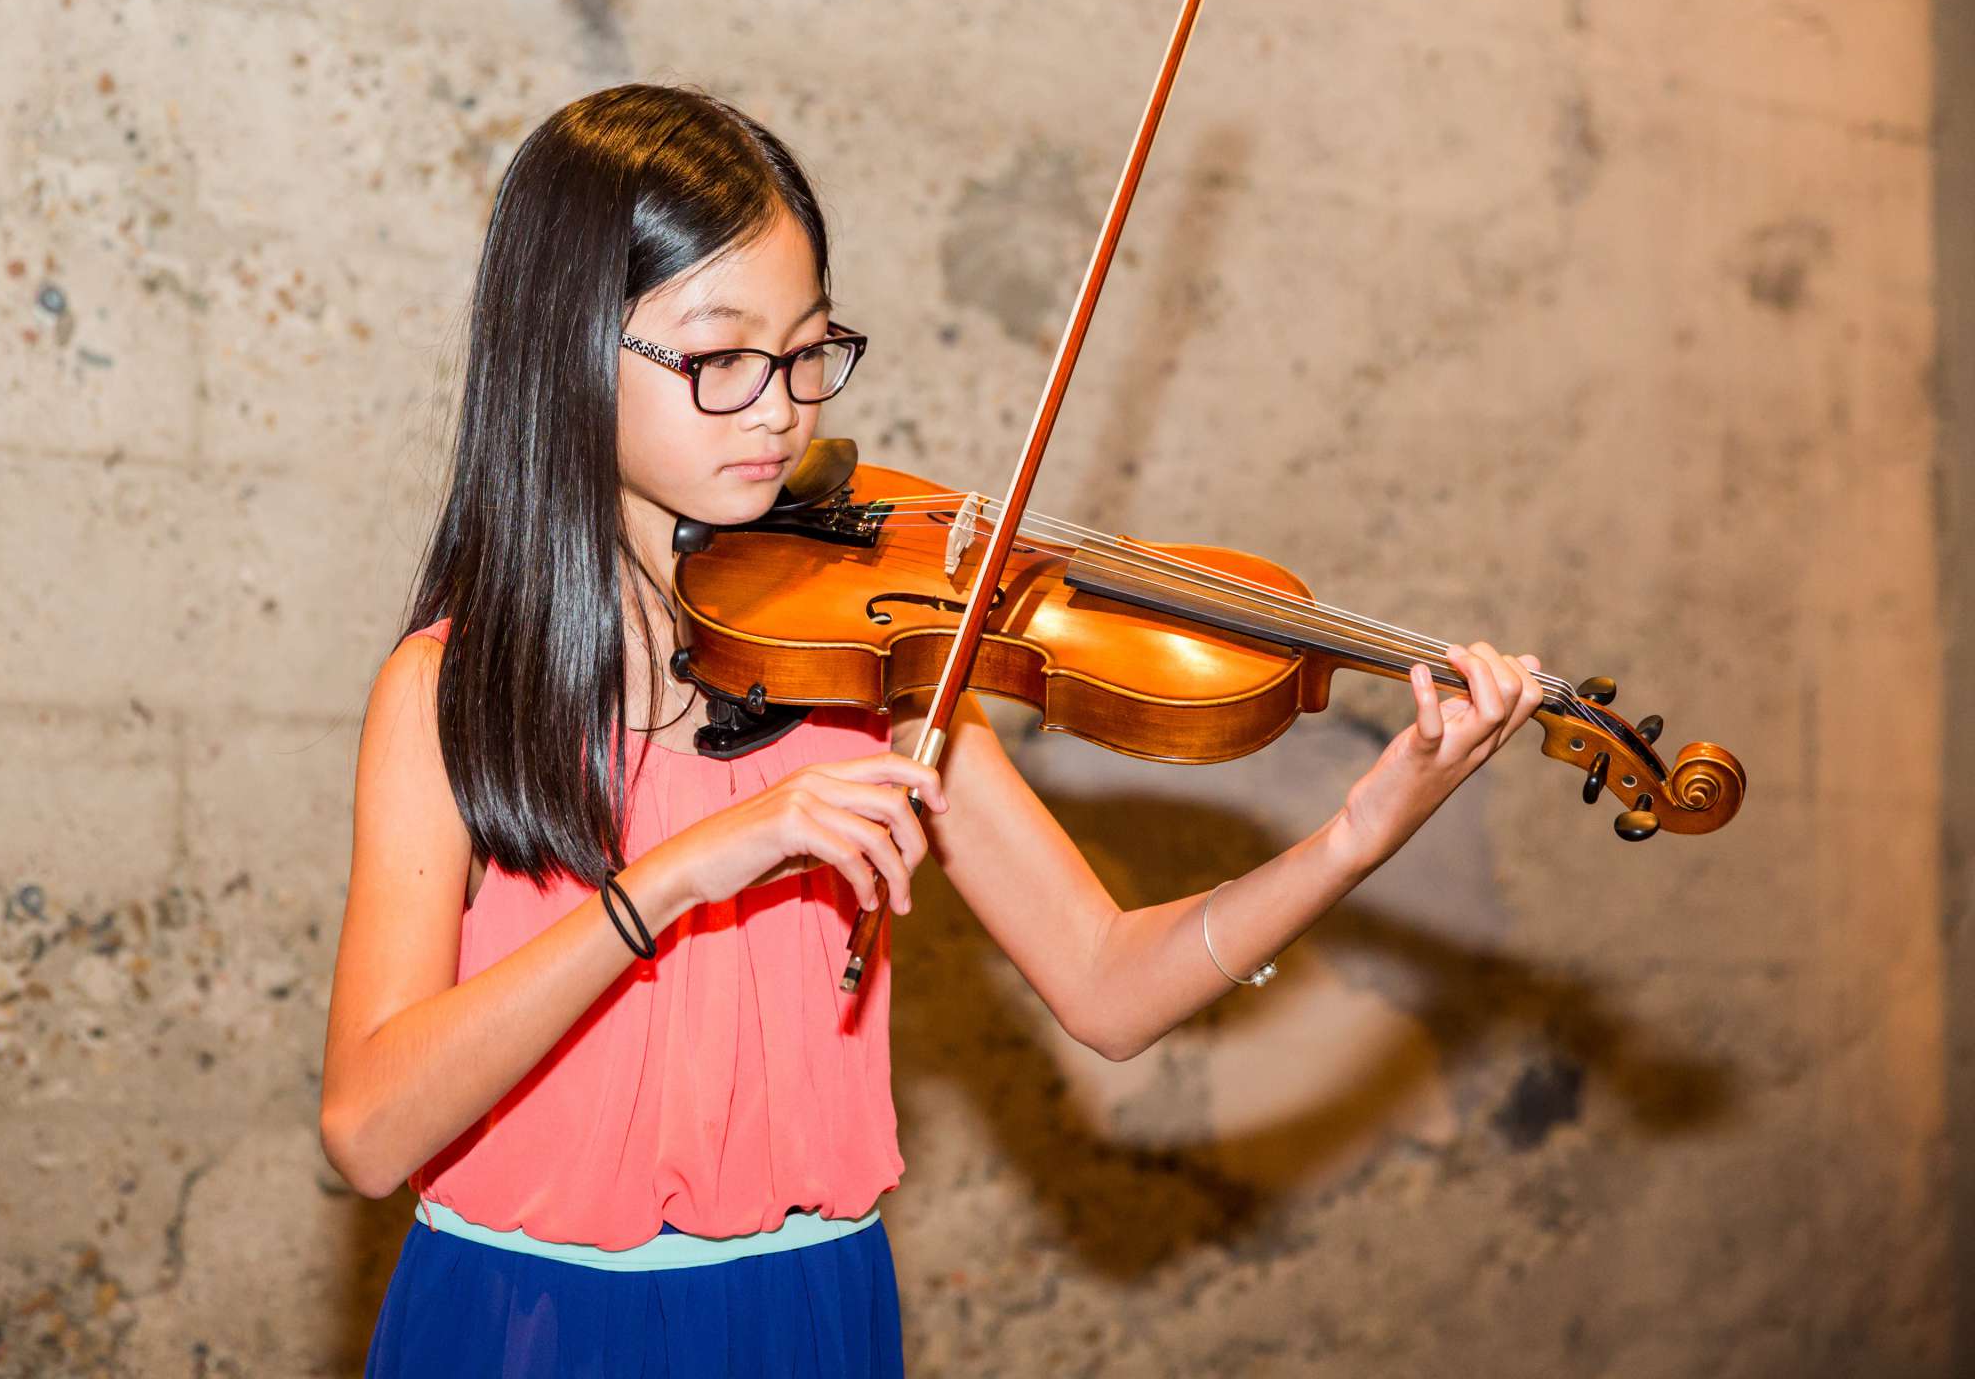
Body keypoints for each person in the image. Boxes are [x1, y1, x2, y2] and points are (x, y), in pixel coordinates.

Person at [319, 82, 1546, 1378]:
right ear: (567, 348)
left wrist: (1355, 837)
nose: (783, 408)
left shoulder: (868, 672)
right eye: (721, 357)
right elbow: (368, 1128)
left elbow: (1111, 988)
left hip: (807, 1316)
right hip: (527, 1327)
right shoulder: (449, 693)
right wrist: (685, 872)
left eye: (807, 353)